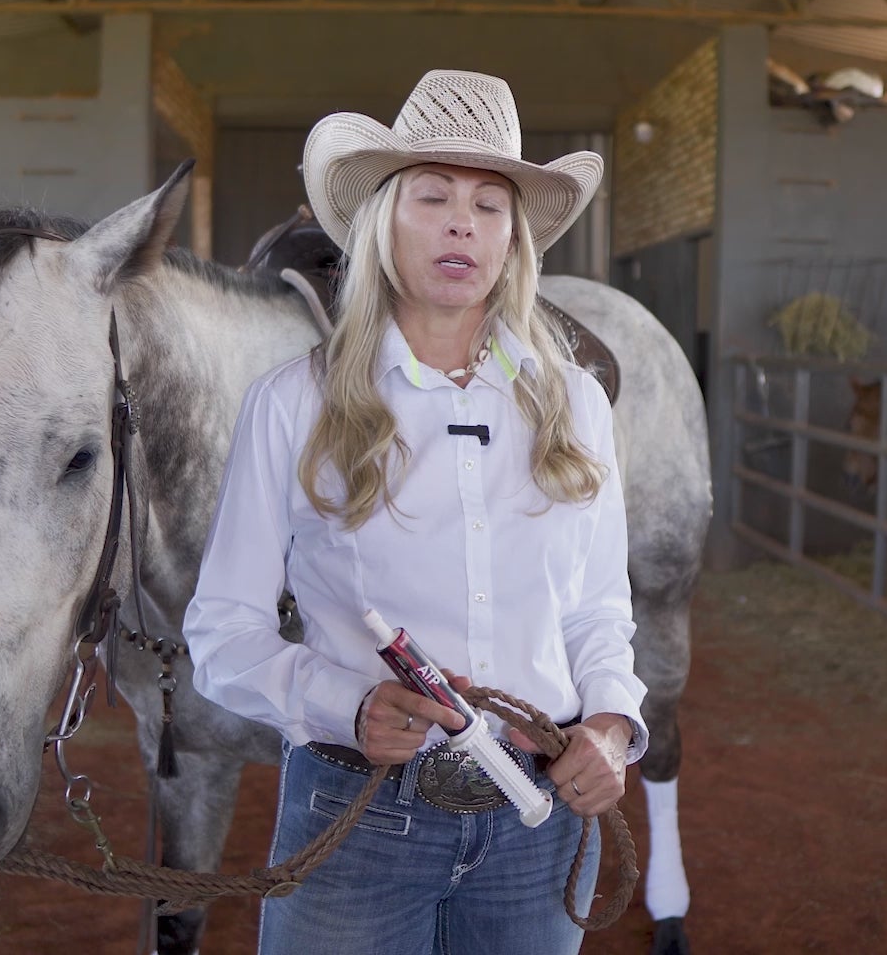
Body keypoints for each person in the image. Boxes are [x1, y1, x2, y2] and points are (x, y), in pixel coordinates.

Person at [183, 69, 647, 954]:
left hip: (536, 818)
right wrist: (345, 704)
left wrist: (611, 723)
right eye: (433, 197)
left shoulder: (575, 407)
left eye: (489, 205)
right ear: (383, 224)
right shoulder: (294, 406)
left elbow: (596, 609)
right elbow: (222, 630)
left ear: (513, 241)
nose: (462, 223)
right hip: (356, 819)